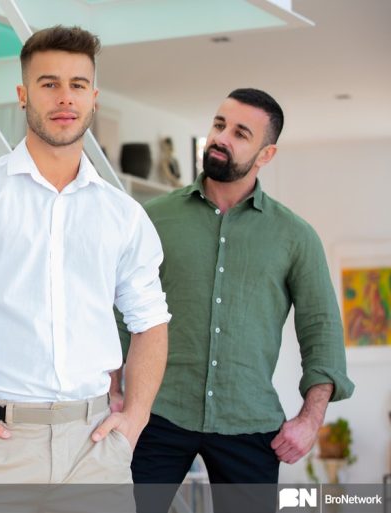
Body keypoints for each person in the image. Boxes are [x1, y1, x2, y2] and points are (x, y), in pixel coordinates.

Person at [0, 25, 171, 486]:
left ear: (94, 98)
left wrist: (136, 419)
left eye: (77, 85)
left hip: (95, 449)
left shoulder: (124, 215)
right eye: (49, 84)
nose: (65, 97)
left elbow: (150, 321)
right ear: (23, 95)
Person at [115, 88, 354, 512]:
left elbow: (322, 329)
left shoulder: (295, 236)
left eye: (241, 133)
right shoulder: (154, 219)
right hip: (157, 414)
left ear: (266, 154)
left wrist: (310, 419)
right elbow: (121, 311)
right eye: (219, 125)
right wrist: (113, 391)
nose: (221, 138)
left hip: (250, 424)